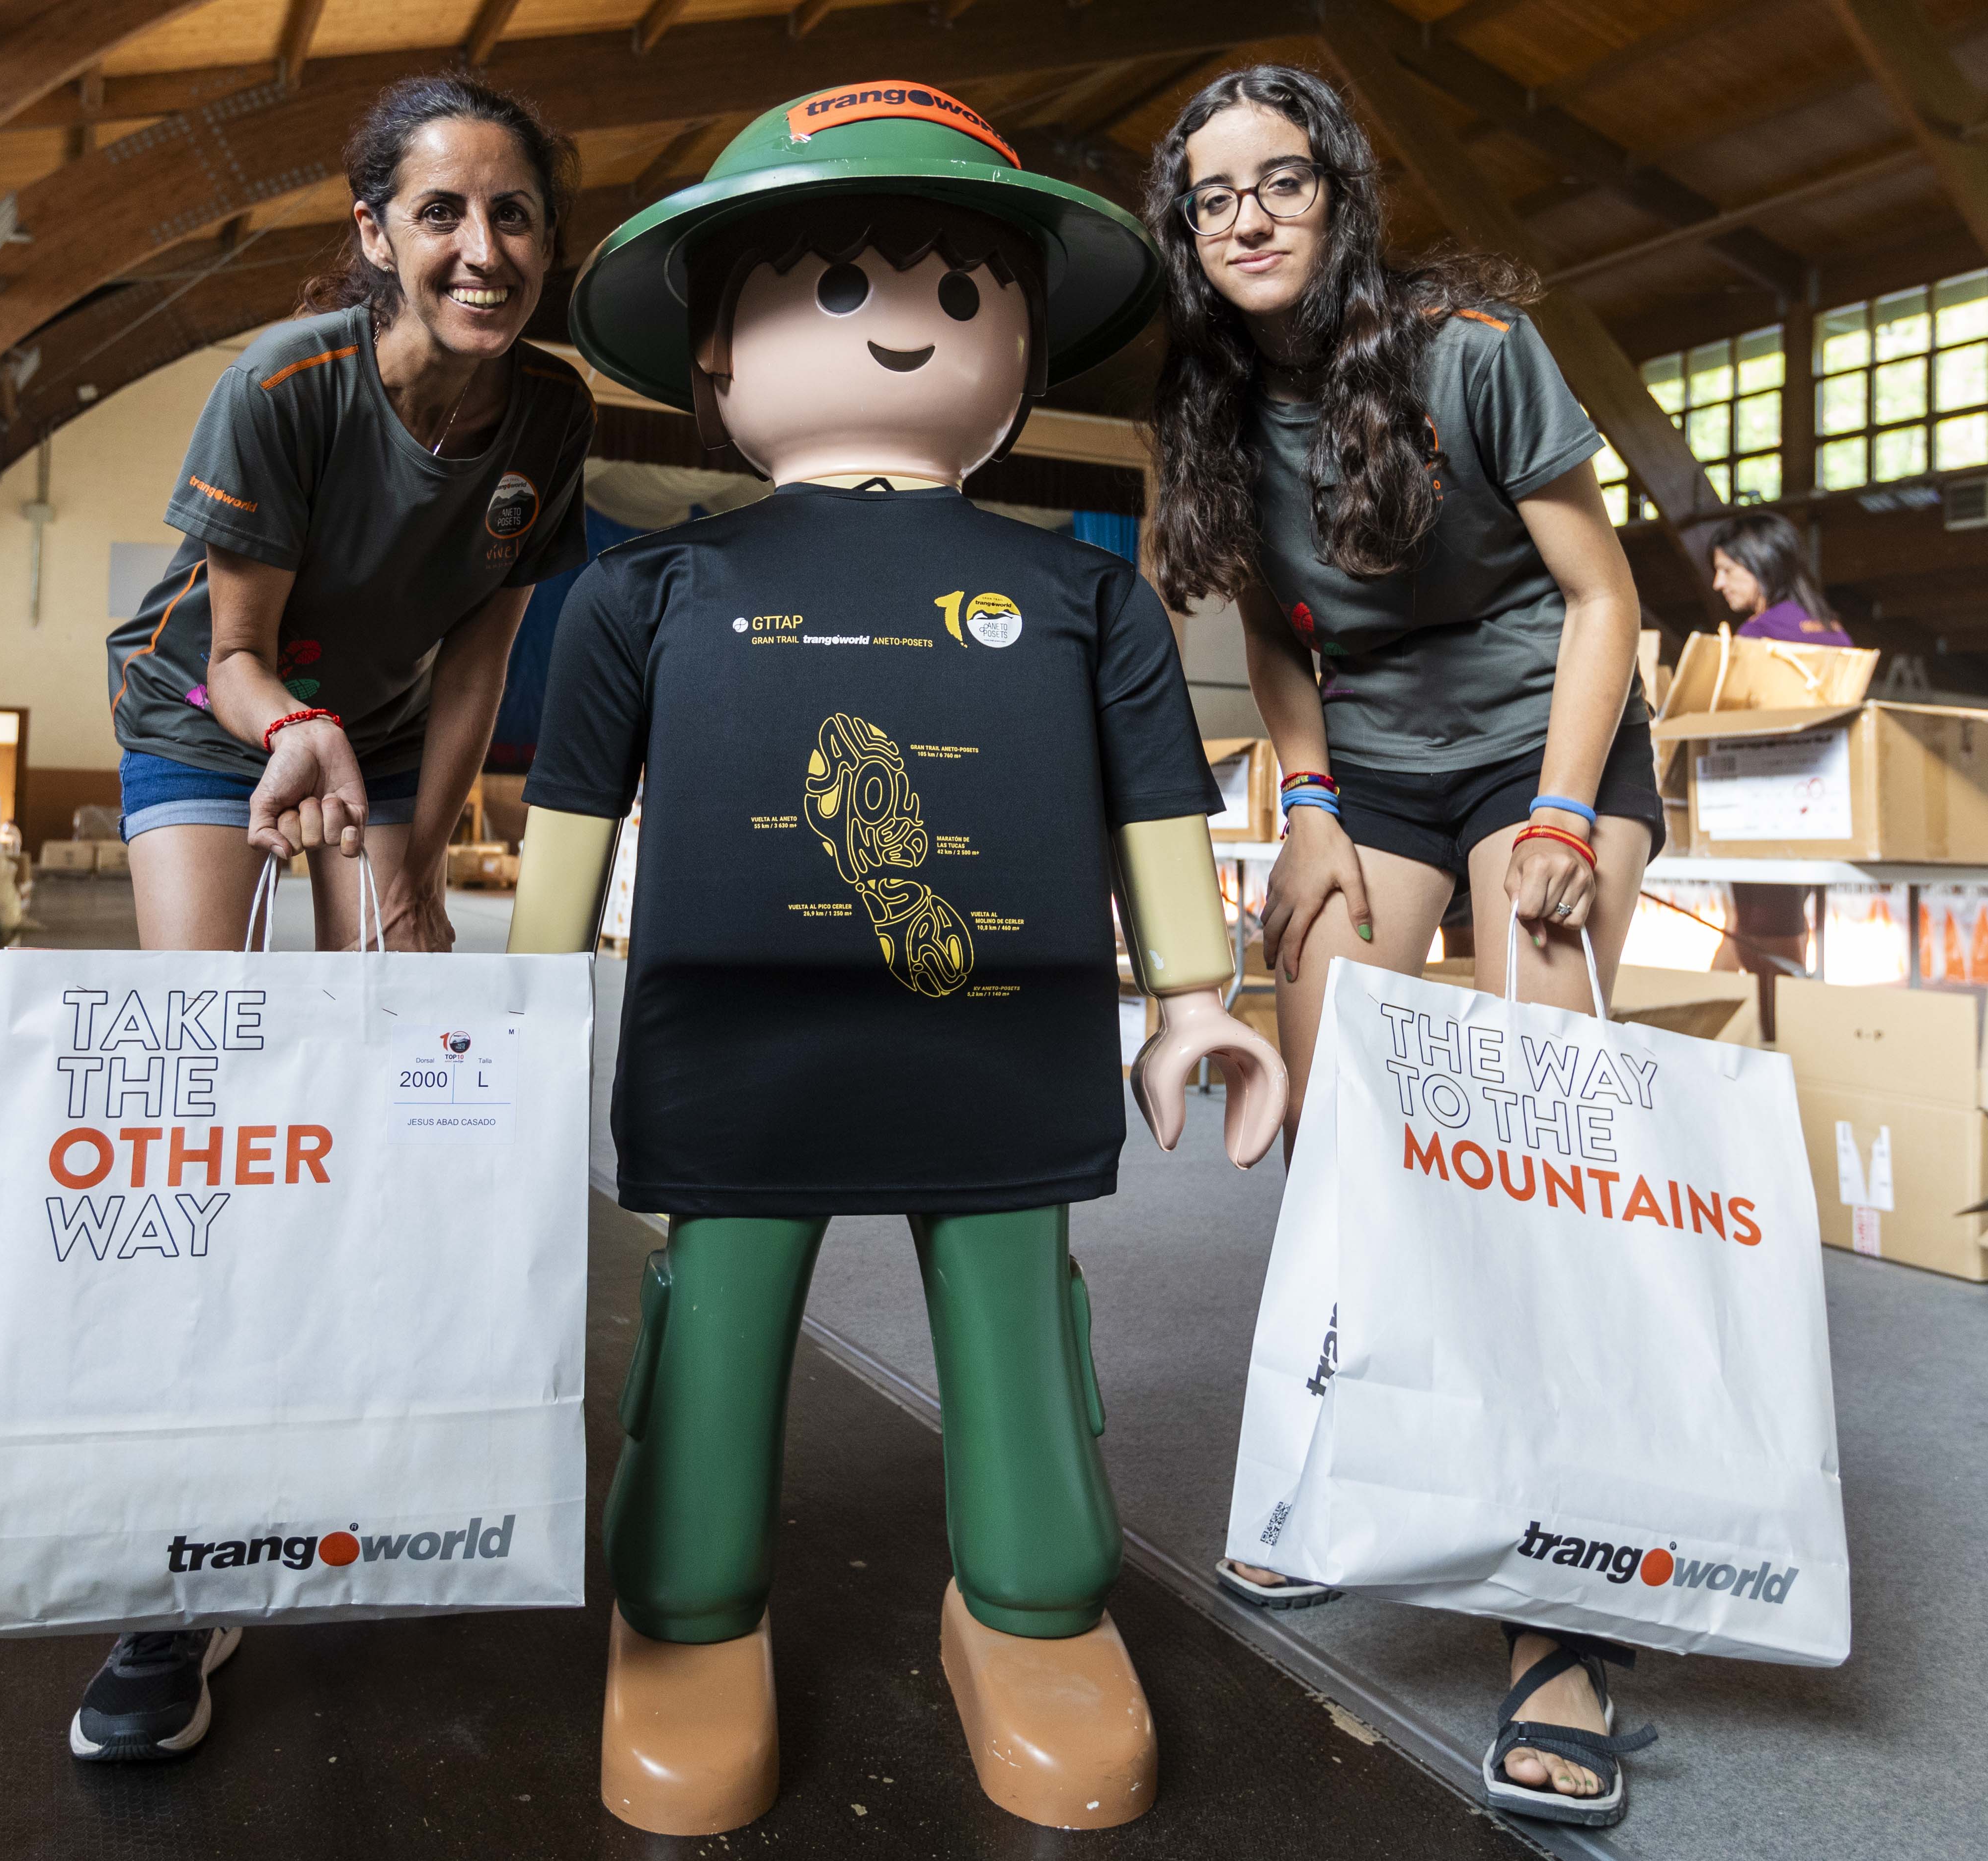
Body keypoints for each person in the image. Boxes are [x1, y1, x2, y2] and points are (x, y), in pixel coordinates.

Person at [514, 83, 1284, 1835]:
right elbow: (567, 822)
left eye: (957, 293)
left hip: (1001, 1046)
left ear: (1016, 343)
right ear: (717, 352)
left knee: (1014, 1324)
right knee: (715, 1326)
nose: (907, 323)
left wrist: (1192, 1000)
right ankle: (691, 1614)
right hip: (729, 1048)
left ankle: (1029, 1603)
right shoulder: (649, 595)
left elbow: (1156, 804)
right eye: (841, 288)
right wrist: (500, 1023)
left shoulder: (1090, 600)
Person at [1145, 66, 1665, 1828]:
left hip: (1551, 747)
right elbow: (1281, 629)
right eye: (1216, 197)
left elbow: (1606, 596)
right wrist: (1300, 798)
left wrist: (1569, 821)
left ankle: (1562, 1621)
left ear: (1338, 192)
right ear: (1189, 233)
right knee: (1339, 1120)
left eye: (1282, 181)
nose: (1252, 217)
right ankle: (1369, 1473)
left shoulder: (1467, 346)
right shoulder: (1209, 394)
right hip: (1366, 762)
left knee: (1532, 1158)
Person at [78, 72, 592, 1760]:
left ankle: (389, 1435)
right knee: (212, 1089)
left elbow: (478, 653)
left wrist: (420, 859)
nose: (482, 245)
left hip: (374, 732)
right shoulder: (281, 385)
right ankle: (176, 1573)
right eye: (441, 211)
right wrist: (287, 733)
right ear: (374, 232)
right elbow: (238, 653)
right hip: (210, 713)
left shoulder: (551, 414)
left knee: (403, 1064)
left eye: (512, 211)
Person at [1709, 508, 1852, 644]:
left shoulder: (1758, 632)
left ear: (1765, 564)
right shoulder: (1834, 630)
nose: (1718, 584)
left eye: (1727, 570)